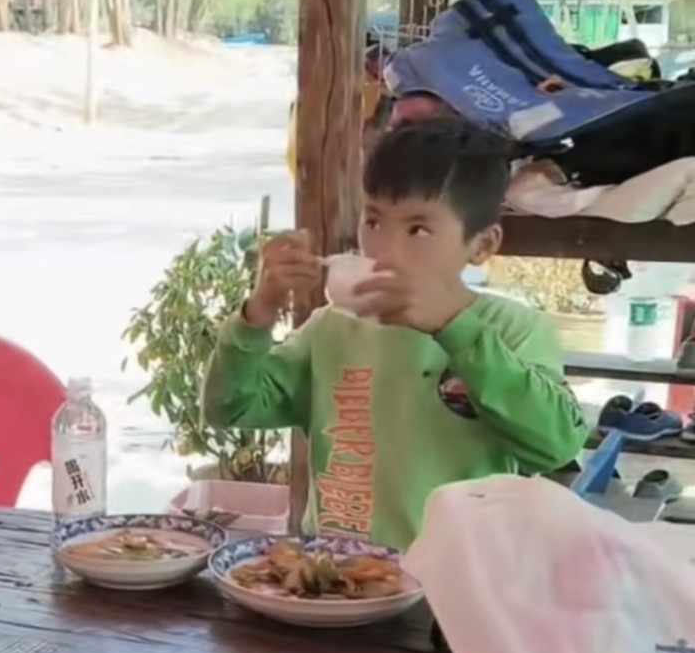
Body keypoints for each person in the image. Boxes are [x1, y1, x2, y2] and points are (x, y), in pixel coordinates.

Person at [203, 117, 588, 551]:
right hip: (336, 578)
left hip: (456, 592)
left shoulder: (513, 330)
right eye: (373, 221)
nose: (384, 248)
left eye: (418, 229)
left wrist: (455, 327)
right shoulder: (333, 327)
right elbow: (229, 410)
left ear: (481, 245)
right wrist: (260, 311)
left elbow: (555, 445)